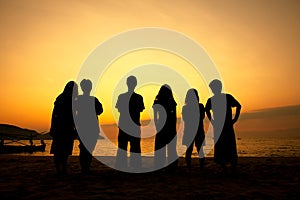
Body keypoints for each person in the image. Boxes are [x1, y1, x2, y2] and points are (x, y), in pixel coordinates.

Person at [205, 79, 241, 174]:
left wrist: (235, 119)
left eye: (213, 88)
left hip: (226, 125)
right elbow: (207, 110)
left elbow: (238, 105)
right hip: (221, 125)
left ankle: (231, 167)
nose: (213, 90)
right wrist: (212, 120)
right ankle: (226, 168)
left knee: (229, 145)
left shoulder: (226, 97)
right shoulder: (213, 99)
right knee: (223, 146)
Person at [115, 76, 145, 171]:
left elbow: (119, 109)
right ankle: (135, 165)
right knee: (134, 147)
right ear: (135, 84)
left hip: (125, 125)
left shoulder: (122, 96)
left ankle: (122, 165)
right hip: (133, 125)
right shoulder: (138, 97)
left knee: (123, 147)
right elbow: (140, 109)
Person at [50, 81, 78, 176]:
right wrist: (53, 127)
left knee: (63, 151)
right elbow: (54, 115)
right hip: (61, 128)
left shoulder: (68, 99)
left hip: (66, 128)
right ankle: (60, 170)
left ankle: (62, 169)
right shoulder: (62, 99)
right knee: (59, 151)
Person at [75, 79, 103, 174]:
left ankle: (84, 168)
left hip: (83, 128)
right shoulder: (93, 99)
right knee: (88, 149)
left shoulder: (79, 99)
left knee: (84, 148)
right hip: (91, 128)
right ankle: (85, 168)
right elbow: (100, 111)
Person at [153, 84, 178, 170]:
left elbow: (155, 117)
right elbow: (174, 116)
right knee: (171, 149)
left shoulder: (157, 102)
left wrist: (157, 126)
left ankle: (160, 165)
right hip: (170, 126)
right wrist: (174, 128)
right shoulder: (171, 102)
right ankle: (172, 166)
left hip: (162, 126)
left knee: (160, 148)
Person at [182, 89, 205, 171]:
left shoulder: (185, 108)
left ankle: (190, 167)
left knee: (191, 150)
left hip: (191, 130)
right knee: (199, 150)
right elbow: (202, 117)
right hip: (197, 130)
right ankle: (200, 167)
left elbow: (186, 119)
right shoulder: (200, 106)